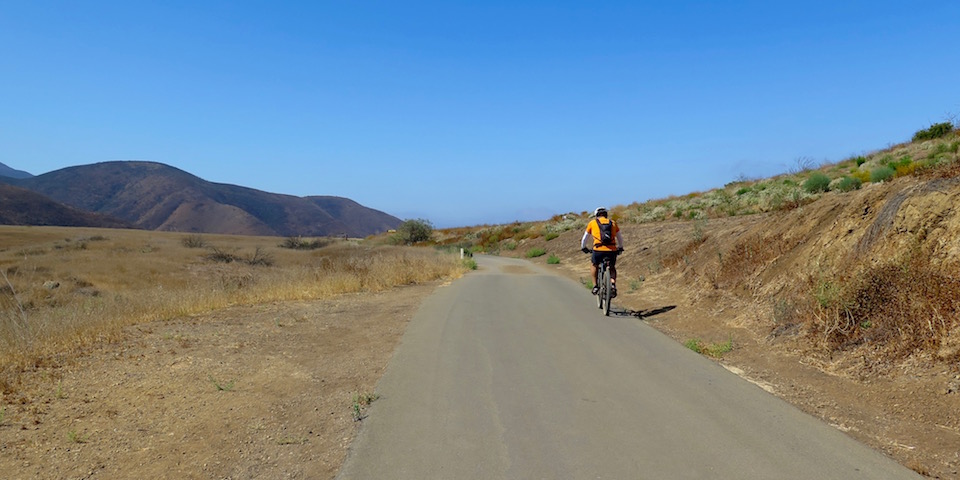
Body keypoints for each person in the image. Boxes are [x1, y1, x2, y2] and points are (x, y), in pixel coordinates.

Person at [581, 207, 624, 297]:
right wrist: (620, 247)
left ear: (596, 215)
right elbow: (620, 237)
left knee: (594, 265)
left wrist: (583, 247)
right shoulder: (613, 223)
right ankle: (612, 284)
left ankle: (595, 286)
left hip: (598, 250)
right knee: (612, 267)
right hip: (611, 250)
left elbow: (585, 238)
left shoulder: (592, 223)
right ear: (606, 215)